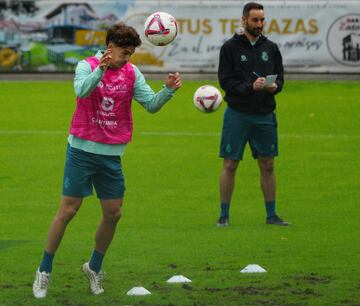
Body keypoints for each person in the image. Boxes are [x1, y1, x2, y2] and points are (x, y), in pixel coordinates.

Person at [32, 22, 182, 299]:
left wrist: (168, 90)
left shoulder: (131, 73)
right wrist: (100, 69)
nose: (128, 59)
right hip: (81, 151)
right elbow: (82, 92)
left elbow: (150, 105)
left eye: (130, 54)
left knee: (113, 213)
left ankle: (94, 267)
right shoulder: (86, 65)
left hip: (111, 156)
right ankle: (44, 270)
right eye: (125, 53)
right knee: (68, 211)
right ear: (109, 48)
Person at [217, 2, 288, 227]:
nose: (259, 24)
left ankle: (271, 215)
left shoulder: (271, 48)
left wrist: (275, 86)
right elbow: (225, 81)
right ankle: (224, 215)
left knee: (268, 164)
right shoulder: (230, 48)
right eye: (255, 20)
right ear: (244, 20)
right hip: (237, 114)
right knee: (230, 164)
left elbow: (281, 79)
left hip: (265, 115)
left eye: (262, 20)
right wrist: (250, 87)